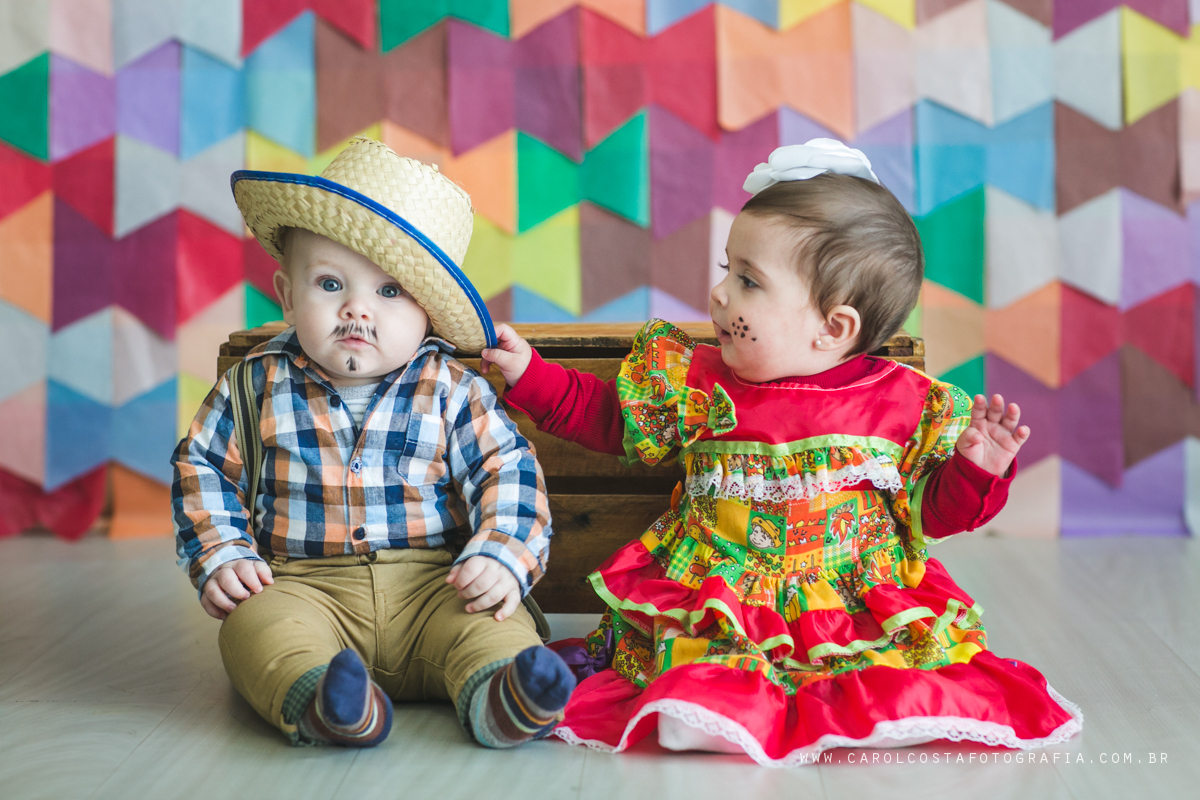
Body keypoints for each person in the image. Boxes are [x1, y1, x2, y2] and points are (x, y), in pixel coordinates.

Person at [479, 140, 1083, 766]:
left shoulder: (903, 403)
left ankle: (871, 713)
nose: (719, 294)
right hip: (723, 590)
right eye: (728, 269)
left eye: (748, 281)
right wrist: (530, 375)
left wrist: (976, 468)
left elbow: (932, 517)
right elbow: (609, 418)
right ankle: (709, 707)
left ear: (833, 328)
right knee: (705, 661)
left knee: (889, 673)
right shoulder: (698, 382)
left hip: (846, 600)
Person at [172, 138, 574, 749]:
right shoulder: (254, 384)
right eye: (330, 283)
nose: (357, 309)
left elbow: (506, 469)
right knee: (255, 629)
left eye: (389, 292)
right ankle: (325, 699)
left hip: (436, 587)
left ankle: (501, 692)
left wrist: (501, 554)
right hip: (303, 587)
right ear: (287, 296)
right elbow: (203, 466)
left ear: (428, 315)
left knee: (493, 624)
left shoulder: (452, 389)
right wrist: (223, 554)